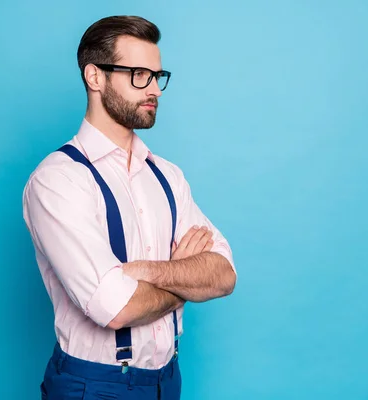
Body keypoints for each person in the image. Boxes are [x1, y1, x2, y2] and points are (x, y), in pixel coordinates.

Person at [22, 15, 237, 400]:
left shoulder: (167, 176)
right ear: (95, 77)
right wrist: (184, 281)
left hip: (167, 380)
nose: (153, 88)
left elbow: (223, 274)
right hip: (94, 385)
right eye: (139, 74)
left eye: (157, 76)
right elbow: (115, 307)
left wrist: (144, 272)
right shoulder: (59, 180)